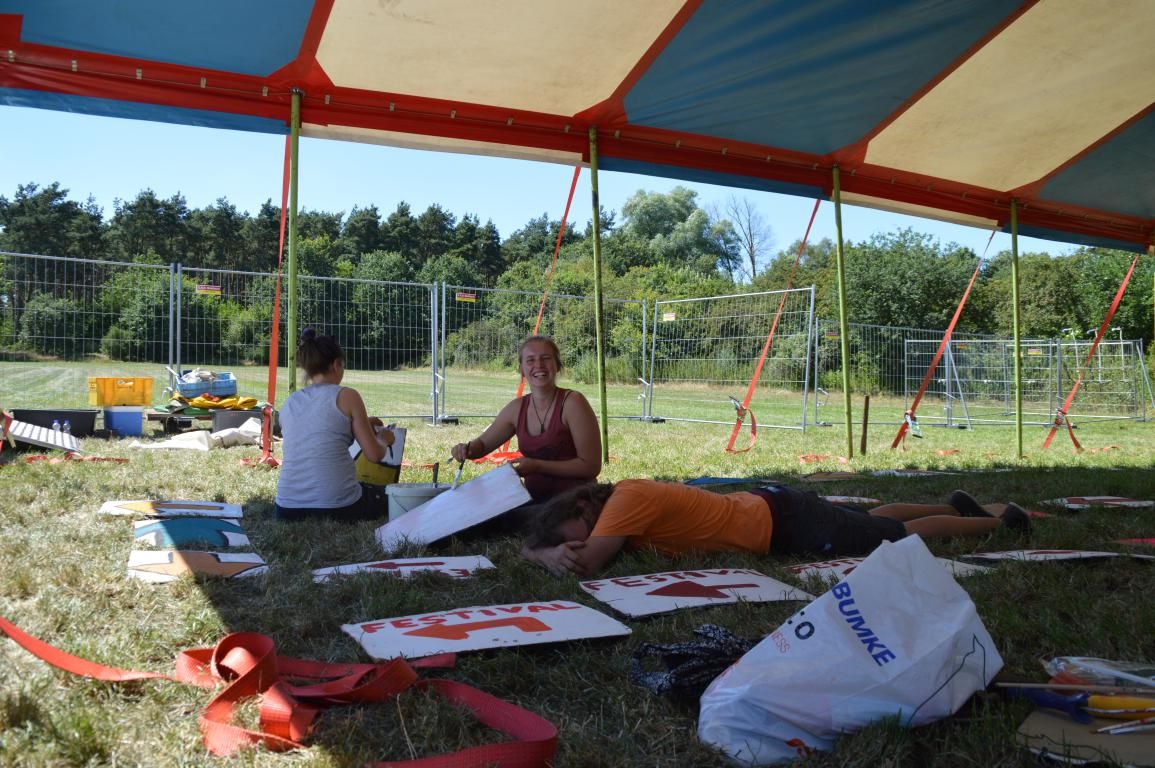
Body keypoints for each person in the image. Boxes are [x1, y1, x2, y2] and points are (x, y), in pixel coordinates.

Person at [521, 481, 1029, 577]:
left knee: (894, 537)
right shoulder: (623, 501)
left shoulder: (625, 502)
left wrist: (545, 556)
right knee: (872, 521)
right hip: (776, 510)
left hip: (785, 523)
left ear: (585, 503)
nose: (580, 542)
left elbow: (588, 565)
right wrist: (539, 551)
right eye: (570, 542)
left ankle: (998, 522)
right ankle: (957, 506)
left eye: (578, 530)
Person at [450, 335, 601, 502]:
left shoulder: (573, 403)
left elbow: (590, 466)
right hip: (534, 503)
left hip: (577, 502)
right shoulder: (516, 408)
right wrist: (466, 449)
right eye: (530, 360)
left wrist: (538, 466)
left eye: (546, 358)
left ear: (557, 365)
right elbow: (483, 444)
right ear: (521, 369)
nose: (539, 365)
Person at [274, 328, 395, 521]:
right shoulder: (347, 395)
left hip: (286, 509)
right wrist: (384, 439)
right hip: (339, 506)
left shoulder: (290, 402)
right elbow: (374, 454)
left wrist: (363, 423)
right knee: (390, 494)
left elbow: (320, 433)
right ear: (336, 365)